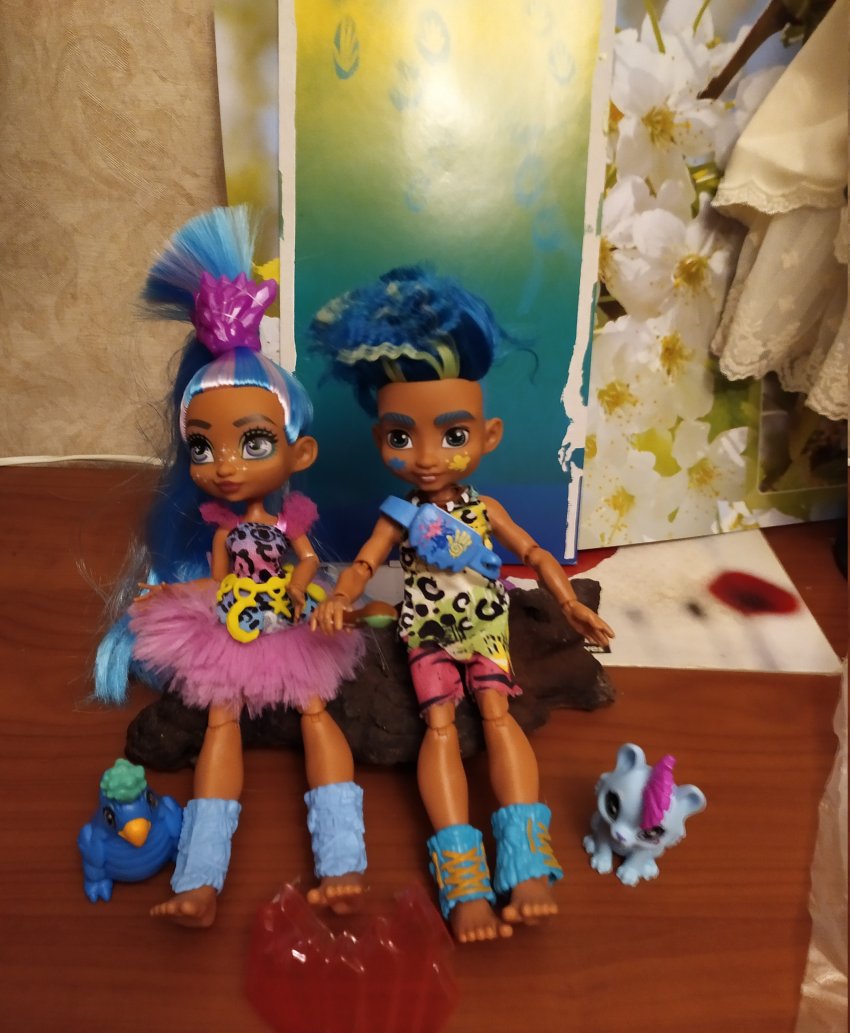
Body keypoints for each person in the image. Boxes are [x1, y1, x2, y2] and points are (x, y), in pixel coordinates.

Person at [310, 266, 613, 943]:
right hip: (426, 635)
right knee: (440, 726)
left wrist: (569, 604)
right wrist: (339, 598)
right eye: (401, 436)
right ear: (381, 439)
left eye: (452, 436)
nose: (426, 457)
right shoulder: (399, 514)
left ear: (488, 435)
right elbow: (364, 562)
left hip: (485, 627)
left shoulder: (484, 508)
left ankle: (526, 866)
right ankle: (463, 881)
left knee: (499, 717)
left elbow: (535, 552)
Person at [94, 207, 367, 928]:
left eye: (253, 444)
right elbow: (217, 575)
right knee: (220, 722)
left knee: (315, 712)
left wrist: (305, 591)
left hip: (285, 619)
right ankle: (199, 878)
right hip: (234, 619)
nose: (223, 466)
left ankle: (343, 862)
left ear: (299, 453)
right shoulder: (220, 527)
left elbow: (306, 563)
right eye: (202, 447)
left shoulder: (289, 522)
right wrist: (171, 594)